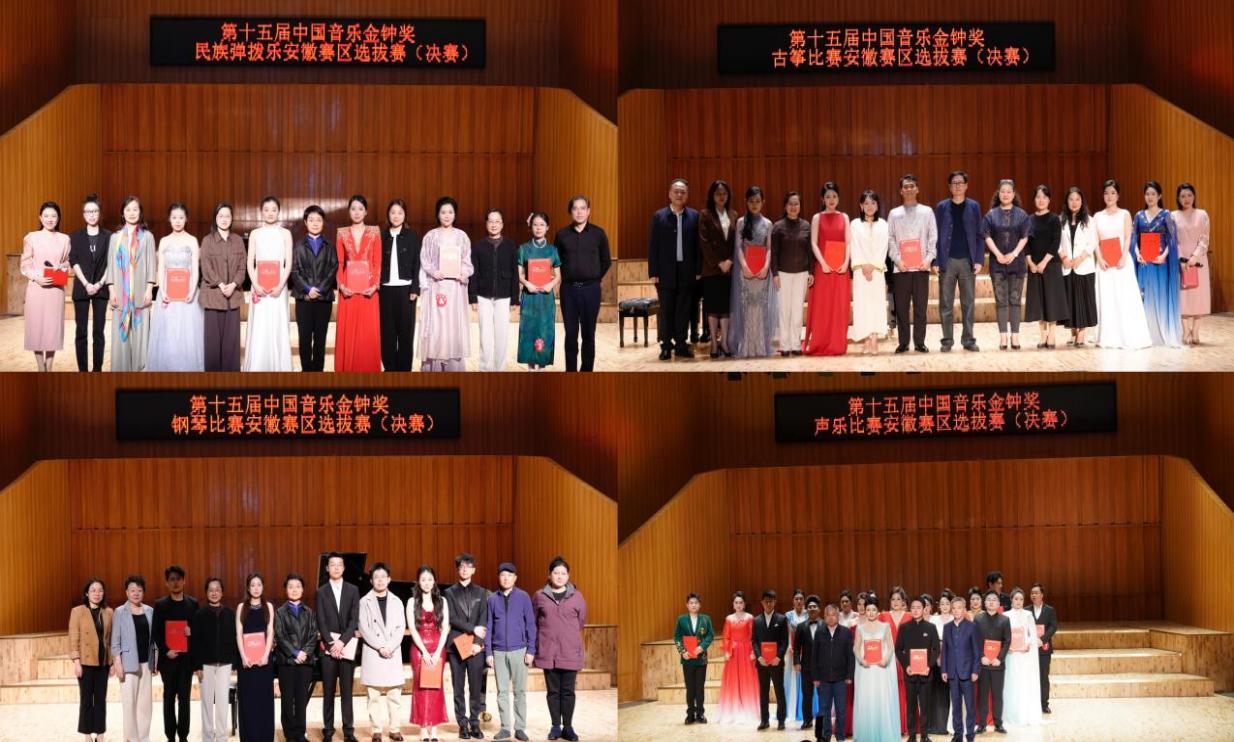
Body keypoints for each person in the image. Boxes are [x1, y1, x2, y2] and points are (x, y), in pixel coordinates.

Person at [553, 195, 611, 371]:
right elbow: (556, 261)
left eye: (583, 208)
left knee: (588, 334)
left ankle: (587, 371)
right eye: (575, 208)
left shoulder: (599, 234)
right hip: (568, 290)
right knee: (570, 334)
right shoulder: (561, 235)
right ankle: (570, 372)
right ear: (570, 211)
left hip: (591, 290)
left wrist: (594, 278)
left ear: (588, 211)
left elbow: (606, 261)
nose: (579, 212)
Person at [534, 558, 588, 741]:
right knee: (553, 692)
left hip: (570, 652)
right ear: (549, 575)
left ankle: (568, 727)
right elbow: (534, 621)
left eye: (563, 573)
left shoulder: (577, 597)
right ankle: (555, 727)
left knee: (568, 692)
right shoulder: (539, 596)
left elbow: (581, 621)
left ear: (568, 576)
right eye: (556, 573)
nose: (559, 576)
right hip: (548, 652)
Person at [1094, 180, 1153, 349]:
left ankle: (1128, 335)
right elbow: (1095, 241)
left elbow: (1128, 238)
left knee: (1124, 298)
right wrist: (1100, 259)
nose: (1109, 196)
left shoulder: (1125, 214)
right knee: (1107, 299)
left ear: (1118, 195)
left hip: (1122, 262)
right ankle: (1109, 337)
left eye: (1113, 193)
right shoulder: (1097, 216)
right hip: (1105, 264)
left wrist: (1123, 257)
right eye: (1106, 193)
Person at [147, 204, 205, 371]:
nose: (178, 221)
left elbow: (195, 269)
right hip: (168, 293)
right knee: (169, 332)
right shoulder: (164, 241)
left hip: (188, 293)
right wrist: (163, 291)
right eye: (174, 218)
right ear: (169, 219)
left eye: (181, 217)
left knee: (187, 333)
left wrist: (192, 291)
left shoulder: (192, 240)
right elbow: (161, 269)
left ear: (186, 219)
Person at [419, 196, 474, 371]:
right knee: (437, 325)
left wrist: (463, 273)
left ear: (455, 214)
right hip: (437, 286)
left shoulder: (462, 237)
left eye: (450, 212)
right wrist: (433, 271)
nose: (447, 215)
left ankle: (452, 366)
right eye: (443, 212)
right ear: (438, 214)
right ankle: (435, 364)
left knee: (452, 325)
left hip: (455, 289)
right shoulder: (430, 236)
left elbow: (467, 262)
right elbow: (424, 260)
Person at [648, 179, 701, 360]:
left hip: (687, 270)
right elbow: (653, 246)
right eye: (676, 191)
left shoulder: (694, 216)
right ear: (670, 194)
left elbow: (698, 246)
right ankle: (665, 345)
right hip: (665, 272)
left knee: (683, 310)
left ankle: (680, 344)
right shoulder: (659, 216)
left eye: (683, 192)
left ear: (687, 195)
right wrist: (653, 271)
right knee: (666, 310)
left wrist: (698, 269)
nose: (679, 194)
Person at [485, 562, 537, 742]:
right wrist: (488, 652)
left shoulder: (523, 597)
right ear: (499, 578)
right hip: (498, 652)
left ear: (515, 578)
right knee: (502, 692)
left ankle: (520, 728)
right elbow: (489, 626)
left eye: (509, 575)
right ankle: (505, 728)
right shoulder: (492, 599)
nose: (506, 578)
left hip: (519, 651)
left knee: (520, 692)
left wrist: (531, 649)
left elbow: (531, 624)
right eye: (502, 575)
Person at [934, 171, 985, 352]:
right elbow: (935, 235)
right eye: (954, 183)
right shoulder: (941, 207)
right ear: (949, 187)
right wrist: (935, 260)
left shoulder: (974, 206)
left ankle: (968, 340)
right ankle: (947, 341)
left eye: (960, 182)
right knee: (946, 304)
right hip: (946, 261)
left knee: (968, 303)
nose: (957, 185)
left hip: (967, 261)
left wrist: (979, 259)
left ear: (966, 185)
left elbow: (980, 234)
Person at [888, 174, 938, 354]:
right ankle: (903, 342)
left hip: (921, 267)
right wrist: (897, 260)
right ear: (901, 191)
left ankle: (919, 342)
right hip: (901, 268)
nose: (909, 189)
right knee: (901, 308)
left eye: (912, 186)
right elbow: (890, 239)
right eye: (905, 186)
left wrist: (928, 259)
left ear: (917, 189)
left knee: (920, 307)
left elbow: (933, 237)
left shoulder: (927, 212)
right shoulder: (894, 213)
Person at [105, 196, 157, 371]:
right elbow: (111, 266)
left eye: (135, 209)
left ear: (140, 212)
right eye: (128, 209)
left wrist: (149, 289)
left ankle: (140, 370)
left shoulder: (147, 237)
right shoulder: (115, 238)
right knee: (121, 338)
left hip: (141, 292)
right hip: (120, 293)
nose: (132, 213)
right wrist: (111, 291)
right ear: (122, 213)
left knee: (141, 336)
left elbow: (151, 265)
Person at [242, 196, 293, 371]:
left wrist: (280, 286)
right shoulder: (255, 233)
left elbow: (288, 263)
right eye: (266, 209)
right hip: (259, 286)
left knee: (278, 323)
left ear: (278, 211)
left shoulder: (285, 233)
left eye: (274, 209)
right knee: (260, 324)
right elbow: (250, 263)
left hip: (279, 287)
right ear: (261, 212)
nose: (270, 213)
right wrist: (256, 285)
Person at [360, 563, 407, 742]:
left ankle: (395, 729)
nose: (379, 580)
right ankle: (376, 730)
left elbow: (401, 627)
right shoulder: (364, 601)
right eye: (376, 577)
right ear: (371, 580)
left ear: (389, 579)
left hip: (392, 651)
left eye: (383, 577)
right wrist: (380, 647)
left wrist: (390, 646)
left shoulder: (397, 601)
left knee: (394, 695)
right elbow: (364, 628)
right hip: (374, 651)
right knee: (373, 695)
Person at [22, 201, 72, 371]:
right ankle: (40, 367)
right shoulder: (31, 237)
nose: (50, 219)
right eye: (46, 216)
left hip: (55, 288)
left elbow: (68, 262)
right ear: (40, 217)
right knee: (36, 327)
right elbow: (25, 264)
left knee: (52, 329)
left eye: (54, 216)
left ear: (58, 218)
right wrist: (37, 278)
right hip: (36, 288)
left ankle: (49, 368)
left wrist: (62, 266)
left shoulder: (65, 239)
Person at [981, 180, 1031, 351]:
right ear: (999, 193)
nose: (1006, 194)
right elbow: (986, 236)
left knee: (1015, 300)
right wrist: (998, 255)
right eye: (1003, 191)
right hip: (998, 264)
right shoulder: (991, 215)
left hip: (1017, 263)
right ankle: (1003, 336)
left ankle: (1015, 336)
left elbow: (1025, 237)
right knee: (1001, 301)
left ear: (1014, 194)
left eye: (1009, 191)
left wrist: (1014, 254)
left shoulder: (1022, 215)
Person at [1132, 180, 1183, 347]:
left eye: (1153, 194)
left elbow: (1173, 240)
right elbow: (1134, 240)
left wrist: (1164, 256)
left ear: (1159, 196)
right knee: (1144, 296)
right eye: (1147, 194)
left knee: (1159, 296)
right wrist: (1137, 254)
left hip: (1160, 263)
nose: (1150, 197)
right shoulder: (1139, 215)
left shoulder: (1166, 215)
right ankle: (1144, 334)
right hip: (1144, 263)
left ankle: (1160, 332)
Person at [335, 194, 383, 372]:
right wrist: (341, 286)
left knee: (367, 332)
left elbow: (377, 262)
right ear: (349, 211)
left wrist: (375, 285)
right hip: (348, 288)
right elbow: (339, 263)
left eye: (360, 209)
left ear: (366, 212)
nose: (356, 212)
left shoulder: (374, 231)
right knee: (349, 331)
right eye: (353, 209)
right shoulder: (341, 232)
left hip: (369, 289)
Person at [729, 186, 778, 358]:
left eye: (758, 201)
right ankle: (747, 346)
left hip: (762, 272)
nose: (755, 204)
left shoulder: (768, 224)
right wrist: (744, 266)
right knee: (747, 307)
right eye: (751, 201)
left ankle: (760, 346)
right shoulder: (741, 222)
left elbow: (769, 248)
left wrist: (766, 267)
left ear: (763, 202)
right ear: (746, 202)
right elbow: (738, 247)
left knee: (761, 307)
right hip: (746, 272)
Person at [317, 551, 361, 742]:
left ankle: (348, 731)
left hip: (347, 646)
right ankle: (328, 730)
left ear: (343, 568)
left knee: (347, 692)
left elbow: (354, 620)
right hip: (328, 649)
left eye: (339, 564)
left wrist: (342, 641)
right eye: (332, 564)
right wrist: (331, 643)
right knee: (328, 692)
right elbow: (321, 620)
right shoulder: (321, 591)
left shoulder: (353, 590)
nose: (336, 568)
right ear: (327, 568)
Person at [803, 183, 851, 356]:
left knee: (839, 307)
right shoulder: (817, 217)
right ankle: (821, 343)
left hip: (840, 269)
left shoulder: (844, 217)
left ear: (839, 198)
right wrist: (822, 263)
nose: (831, 200)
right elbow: (813, 243)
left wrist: (846, 262)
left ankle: (837, 344)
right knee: (823, 308)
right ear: (823, 199)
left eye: (834, 196)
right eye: (828, 196)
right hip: (823, 269)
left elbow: (848, 242)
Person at [151, 565, 198, 742]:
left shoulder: (193, 604)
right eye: (172, 579)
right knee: (168, 698)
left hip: (186, 661)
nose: (176, 582)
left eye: (178, 579)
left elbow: (198, 631)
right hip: (168, 660)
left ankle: (183, 736)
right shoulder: (160, 605)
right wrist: (166, 651)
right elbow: (156, 633)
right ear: (167, 583)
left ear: (184, 581)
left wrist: (191, 631)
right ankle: (170, 736)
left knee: (184, 699)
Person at [198, 203, 247, 371]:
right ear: (215, 218)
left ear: (232, 219)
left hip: (233, 296)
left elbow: (242, 267)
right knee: (212, 341)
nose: (224, 219)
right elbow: (206, 268)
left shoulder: (238, 240)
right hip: (213, 296)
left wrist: (233, 284)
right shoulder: (207, 240)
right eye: (221, 216)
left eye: (227, 216)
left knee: (231, 342)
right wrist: (220, 284)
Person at [446, 553, 490, 739]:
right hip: (456, 645)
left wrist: (478, 643)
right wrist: (473, 629)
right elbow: (452, 618)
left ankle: (475, 723)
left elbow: (484, 619)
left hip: (476, 647)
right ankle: (462, 724)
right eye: (461, 567)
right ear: (458, 570)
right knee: (458, 687)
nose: (465, 570)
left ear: (474, 570)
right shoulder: (449, 592)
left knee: (475, 687)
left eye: (468, 566)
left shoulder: (482, 593)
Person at [290, 205, 338, 372]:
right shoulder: (298, 246)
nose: (315, 223)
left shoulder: (330, 246)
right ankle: (306, 372)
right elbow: (294, 271)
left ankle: (318, 373)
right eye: (311, 220)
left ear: (323, 222)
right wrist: (307, 289)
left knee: (320, 338)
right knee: (304, 338)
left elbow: (333, 268)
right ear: (305, 222)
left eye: (318, 220)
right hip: (304, 299)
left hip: (324, 299)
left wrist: (320, 289)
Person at [470, 209, 519, 371]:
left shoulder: (510, 246)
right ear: (486, 224)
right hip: (483, 296)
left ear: (502, 224)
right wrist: (472, 297)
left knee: (502, 335)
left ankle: (500, 369)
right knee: (485, 335)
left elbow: (514, 273)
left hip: (504, 296)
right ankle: (485, 369)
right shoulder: (478, 246)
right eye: (491, 221)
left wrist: (515, 298)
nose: (494, 225)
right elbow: (473, 273)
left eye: (497, 221)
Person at [189, 577, 236, 742]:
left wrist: (234, 662)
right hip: (205, 665)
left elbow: (234, 638)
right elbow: (195, 641)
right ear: (206, 593)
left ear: (222, 593)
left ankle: (222, 737)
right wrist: (197, 666)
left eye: (217, 590)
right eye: (211, 590)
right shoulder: (199, 614)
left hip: (225, 663)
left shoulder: (229, 613)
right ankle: (208, 737)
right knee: (206, 702)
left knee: (222, 701)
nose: (214, 593)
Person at [69, 194, 112, 372]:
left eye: (95, 211)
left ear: (100, 213)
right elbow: (74, 260)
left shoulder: (109, 236)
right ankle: (83, 371)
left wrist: (100, 283)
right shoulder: (75, 236)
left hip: (101, 289)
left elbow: (111, 263)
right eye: (88, 212)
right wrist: (87, 284)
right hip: (82, 288)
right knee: (81, 332)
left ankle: (97, 370)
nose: (92, 215)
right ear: (83, 214)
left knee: (98, 332)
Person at [111, 575, 156, 742]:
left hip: (146, 663)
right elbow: (115, 642)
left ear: (144, 592)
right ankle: (131, 739)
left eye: (139, 590)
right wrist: (117, 663)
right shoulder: (119, 612)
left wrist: (155, 662)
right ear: (126, 592)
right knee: (129, 704)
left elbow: (154, 639)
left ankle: (144, 738)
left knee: (145, 705)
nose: (136, 593)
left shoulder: (150, 611)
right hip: (128, 664)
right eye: (132, 590)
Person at [274, 573, 318, 742]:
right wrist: (295, 653)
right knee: (287, 700)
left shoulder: (310, 612)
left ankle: (300, 733)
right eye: (291, 587)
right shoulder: (280, 612)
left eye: (298, 587)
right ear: (286, 590)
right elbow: (280, 636)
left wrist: (304, 653)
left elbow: (313, 635)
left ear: (302, 590)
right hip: (287, 662)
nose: (294, 590)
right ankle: (289, 734)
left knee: (301, 699)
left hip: (305, 662)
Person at [408, 566, 450, 742]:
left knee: (435, 687)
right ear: (419, 582)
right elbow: (412, 629)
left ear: (434, 581)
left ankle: (434, 728)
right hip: (419, 650)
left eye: (430, 579)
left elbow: (445, 628)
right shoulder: (412, 601)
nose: (426, 582)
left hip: (438, 648)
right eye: (423, 579)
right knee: (421, 687)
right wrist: (424, 652)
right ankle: (423, 729)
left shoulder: (442, 601)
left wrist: (438, 651)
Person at [1024, 186, 1068, 348]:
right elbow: (1026, 243)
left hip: (1051, 265)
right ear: (1034, 199)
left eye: (1044, 197)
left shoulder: (1054, 219)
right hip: (1034, 266)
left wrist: (1043, 263)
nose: (1041, 200)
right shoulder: (1029, 219)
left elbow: (1055, 242)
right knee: (1039, 301)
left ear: (1049, 199)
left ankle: (1052, 334)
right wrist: (1030, 263)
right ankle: (1043, 334)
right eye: (1038, 197)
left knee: (1052, 300)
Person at [380, 199, 422, 371]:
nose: (396, 216)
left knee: (406, 333)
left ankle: (404, 371)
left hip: (406, 290)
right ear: (388, 215)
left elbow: (417, 263)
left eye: (400, 212)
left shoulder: (412, 236)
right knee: (387, 333)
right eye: (393, 212)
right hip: (385, 290)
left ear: (405, 215)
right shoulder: (381, 236)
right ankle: (390, 370)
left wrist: (415, 288)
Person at [517, 212, 562, 371]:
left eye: (542, 225)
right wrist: (527, 283)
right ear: (531, 227)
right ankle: (530, 368)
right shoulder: (523, 249)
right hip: (530, 297)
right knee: (529, 331)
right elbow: (519, 274)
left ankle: (542, 368)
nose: (538, 228)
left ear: (547, 227)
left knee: (545, 330)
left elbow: (558, 276)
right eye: (535, 224)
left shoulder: (552, 250)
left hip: (546, 298)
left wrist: (551, 284)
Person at [698, 180, 737, 357]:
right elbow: (704, 242)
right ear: (712, 196)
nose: (721, 196)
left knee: (726, 308)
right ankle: (714, 342)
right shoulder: (705, 214)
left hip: (729, 269)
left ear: (728, 196)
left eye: (724, 193)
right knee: (713, 308)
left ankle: (725, 342)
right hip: (712, 269)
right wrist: (718, 263)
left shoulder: (733, 214)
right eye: (718, 193)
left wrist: (730, 261)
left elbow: (736, 242)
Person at [852, 595, 900, 741]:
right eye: (868, 610)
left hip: (881, 670)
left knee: (881, 700)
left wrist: (885, 660)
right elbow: (856, 648)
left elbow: (891, 647)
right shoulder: (860, 628)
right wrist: (861, 661)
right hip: (866, 671)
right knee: (867, 700)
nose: (871, 612)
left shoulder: (885, 627)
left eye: (873, 610)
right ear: (864, 611)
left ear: (878, 611)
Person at [70, 578, 113, 741]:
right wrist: (76, 662)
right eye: (93, 590)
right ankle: (87, 734)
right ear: (87, 593)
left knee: (101, 699)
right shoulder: (77, 611)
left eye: (100, 590)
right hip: (85, 663)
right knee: (86, 699)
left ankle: (100, 734)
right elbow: (73, 638)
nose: (97, 593)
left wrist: (112, 662)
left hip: (103, 663)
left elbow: (110, 639)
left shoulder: (109, 612)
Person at [847, 191, 890, 354]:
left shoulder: (883, 224)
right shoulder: (855, 224)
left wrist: (873, 265)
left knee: (876, 304)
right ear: (861, 206)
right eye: (866, 203)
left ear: (877, 206)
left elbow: (883, 247)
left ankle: (874, 339)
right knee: (862, 305)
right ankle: (865, 339)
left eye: (873, 203)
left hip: (877, 271)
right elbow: (854, 246)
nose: (869, 206)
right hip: (860, 271)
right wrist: (864, 266)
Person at [771, 191, 812, 356]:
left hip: (801, 273)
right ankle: (785, 344)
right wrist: (775, 273)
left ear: (800, 206)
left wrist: (811, 272)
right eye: (790, 204)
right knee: (784, 310)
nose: (793, 207)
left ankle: (796, 344)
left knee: (797, 310)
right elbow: (774, 253)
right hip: (783, 274)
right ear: (785, 206)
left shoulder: (806, 226)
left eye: (796, 204)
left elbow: (810, 252)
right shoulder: (778, 226)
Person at [235, 574, 275, 742]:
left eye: (259, 584)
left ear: (263, 586)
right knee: (248, 699)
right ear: (248, 587)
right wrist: (243, 657)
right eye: (253, 585)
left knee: (263, 699)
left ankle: (265, 737)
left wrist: (266, 655)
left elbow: (270, 631)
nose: (256, 588)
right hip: (247, 662)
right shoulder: (241, 607)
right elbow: (238, 633)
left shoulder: (269, 606)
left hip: (264, 661)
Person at [1059, 187, 1099, 347]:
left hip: (1084, 266)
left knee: (1083, 300)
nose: (1074, 202)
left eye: (1077, 199)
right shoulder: (1061, 220)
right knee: (1070, 300)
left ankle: (1081, 333)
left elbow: (1093, 242)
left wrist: (1080, 258)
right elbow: (1056, 242)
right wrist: (1063, 257)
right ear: (1066, 201)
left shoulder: (1089, 220)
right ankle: (1073, 333)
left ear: (1082, 202)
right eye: (1071, 199)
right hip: (1067, 265)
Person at [896, 596, 940, 742]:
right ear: (910, 609)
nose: (915, 610)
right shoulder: (904, 628)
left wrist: (929, 666)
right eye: (913, 607)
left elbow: (936, 649)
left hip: (926, 673)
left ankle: (925, 735)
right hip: (910, 673)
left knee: (925, 705)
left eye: (918, 607)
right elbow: (898, 649)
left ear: (924, 609)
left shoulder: (931, 628)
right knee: (911, 706)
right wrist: (906, 666)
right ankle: (912, 735)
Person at [1172, 183, 1211, 345]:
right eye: (1183, 196)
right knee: (1183, 297)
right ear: (1178, 198)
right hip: (1180, 262)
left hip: (1199, 260)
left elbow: (1204, 239)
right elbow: (1173, 241)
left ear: (1194, 196)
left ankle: (1195, 330)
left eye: (1189, 195)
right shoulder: (1173, 216)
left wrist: (1194, 256)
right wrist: (1181, 259)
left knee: (1198, 296)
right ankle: (1185, 330)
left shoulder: (1202, 215)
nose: (1186, 199)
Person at [811, 604, 854, 742]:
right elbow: (814, 656)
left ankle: (840, 737)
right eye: (828, 615)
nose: (830, 617)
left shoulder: (846, 632)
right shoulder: (819, 632)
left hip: (841, 679)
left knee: (841, 710)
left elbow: (850, 656)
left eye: (833, 615)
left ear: (838, 616)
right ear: (824, 617)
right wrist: (815, 677)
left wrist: (849, 675)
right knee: (823, 710)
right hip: (823, 679)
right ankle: (823, 736)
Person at [942, 595, 981, 742]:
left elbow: (977, 651)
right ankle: (958, 734)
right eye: (954, 608)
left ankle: (970, 734)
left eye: (959, 608)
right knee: (956, 705)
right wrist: (944, 670)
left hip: (968, 672)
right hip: (952, 673)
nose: (956, 610)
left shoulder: (972, 627)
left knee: (970, 706)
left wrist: (975, 670)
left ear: (964, 609)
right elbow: (945, 650)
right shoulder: (947, 628)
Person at [1002, 588, 1042, 727]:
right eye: (1016, 599)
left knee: (1024, 683)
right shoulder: (1005, 615)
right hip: (1011, 655)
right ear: (1011, 600)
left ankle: (1024, 714)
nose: (1018, 601)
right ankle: (1011, 715)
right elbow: (1003, 636)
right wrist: (1008, 647)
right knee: (1011, 683)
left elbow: (1033, 635)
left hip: (1024, 655)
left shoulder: (1028, 615)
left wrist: (1028, 644)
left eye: (1021, 599)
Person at [973, 591, 1011, 733]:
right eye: (988, 599)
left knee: (997, 695)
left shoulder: (1005, 620)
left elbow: (1007, 641)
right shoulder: (978, 619)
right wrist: (981, 656)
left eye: (994, 599)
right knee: (982, 695)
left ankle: (998, 723)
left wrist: (999, 659)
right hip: (983, 664)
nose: (991, 602)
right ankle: (982, 724)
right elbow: (975, 640)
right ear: (985, 602)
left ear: (998, 603)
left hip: (997, 664)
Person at [719, 591, 759, 725]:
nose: (738, 605)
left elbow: (754, 636)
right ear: (733, 604)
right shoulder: (729, 618)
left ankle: (749, 709)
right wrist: (726, 650)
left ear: (744, 604)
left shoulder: (750, 617)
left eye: (741, 602)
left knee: (747, 680)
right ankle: (733, 710)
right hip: (733, 652)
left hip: (746, 651)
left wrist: (754, 652)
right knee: (733, 681)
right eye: (736, 602)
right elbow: (726, 636)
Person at [751, 589, 788, 731]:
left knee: (779, 691)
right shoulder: (756, 620)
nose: (768, 603)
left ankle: (781, 720)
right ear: (762, 602)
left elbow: (785, 642)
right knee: (763, 692)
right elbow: (754, 641)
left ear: (775, 602)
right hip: (762, 663)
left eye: (771, 601)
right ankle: (764, 721)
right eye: (766, 601)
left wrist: (778, 657)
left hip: (776, 663)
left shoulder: (781, 619)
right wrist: (759, 656)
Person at [675, 593, 714, 725]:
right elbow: (677, 637)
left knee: (699, 688)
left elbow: (710, 635)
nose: (693, 605)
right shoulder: (681, 620)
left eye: (696, 603)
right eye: (691, 603)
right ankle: (690, 714)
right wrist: (682, 651)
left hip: (701, 659)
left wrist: (702, 647)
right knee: (690, 688)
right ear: (687, 605)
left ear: (700, 605)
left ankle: (700, 713)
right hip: (687, 659)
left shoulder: (706, 619)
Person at [879, 587, 912, 734]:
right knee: (890, 692)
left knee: (907, 693)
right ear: (890, 601)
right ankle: (891, 726)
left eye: (899, 599)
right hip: (889, 659)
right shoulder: (883, 616)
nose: (896, 602)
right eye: (893, 599)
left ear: (903, 601)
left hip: (906, 660)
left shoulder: (910, 616)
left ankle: (906, 726)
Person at [793, 596, 823, 730]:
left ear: (819, 609)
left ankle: (822, 722)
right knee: (806, 695)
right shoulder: (800, 627)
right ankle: (807, 720)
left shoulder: (825, 625)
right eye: (809, 607)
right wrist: (796, 662)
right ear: (807, 609)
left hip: (822, 667)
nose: (812, 609)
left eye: (814, 606)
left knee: (823, 696)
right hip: (805, 667)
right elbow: (796, 647)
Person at [927, 591, 955, 737]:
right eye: (942, 603)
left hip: (952, 661)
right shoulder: (933, 619)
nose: (944, 606)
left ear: (951, 605)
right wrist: (937, 657)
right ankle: (934, 725)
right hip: (935, 661)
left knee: (949, 693)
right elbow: (930, 641)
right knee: (936, 692)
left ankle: (947, 725)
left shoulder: (955, 619)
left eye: (947, 603)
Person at [1029, 584, 1057, 714]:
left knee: (1043, 677)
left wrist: (1042, 639)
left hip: (1044, 649)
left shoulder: (1050, 610)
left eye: (1036, 593)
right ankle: (1031, 703)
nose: (1033, 595)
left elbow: (1053, 627)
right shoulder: (1026, 611)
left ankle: (1044, 704)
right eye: (1032, 593)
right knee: (1030, 676)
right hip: (1030, 649)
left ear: (1042, 595)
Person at [783, 590, 809, 726]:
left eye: (801, 598)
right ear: (793, 601)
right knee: (791, 678)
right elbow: (786, 633)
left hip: (806, 651)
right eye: (796, 599)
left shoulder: (808, 614)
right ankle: (791, 709)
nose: (798, 601)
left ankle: (805, 710)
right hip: (792, 651)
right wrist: (789, 646)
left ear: (804, 600)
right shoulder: (788, 615)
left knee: (805, 680)